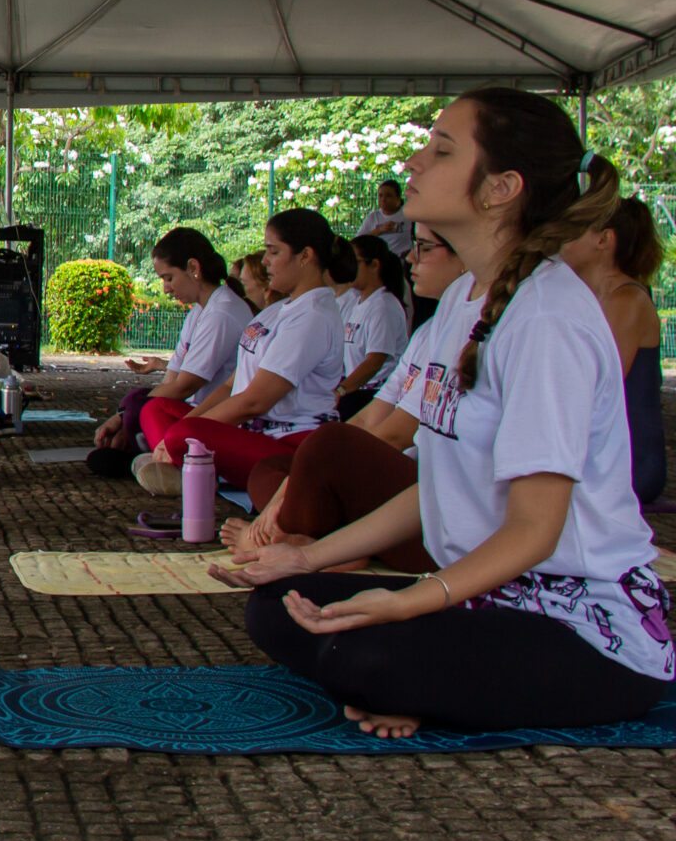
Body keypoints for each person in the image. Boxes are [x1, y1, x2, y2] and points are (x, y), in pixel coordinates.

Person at [215, 87, 670, 738]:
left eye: (441, 149)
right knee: (278, 606)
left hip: (583, 631)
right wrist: (306, 560)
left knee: (368, 655)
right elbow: (439, 488)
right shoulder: (464, 300)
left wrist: (410, 602)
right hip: (491, 600)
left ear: (501, 188)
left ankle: (417, 678)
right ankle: (424, 675)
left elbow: (535, 532)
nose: (416, 160)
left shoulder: (545, 318)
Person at [219, 231, 467, 574]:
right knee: (272, 470)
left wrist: (299, 477)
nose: (410, 258)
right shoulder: (430, 330)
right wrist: (295, 477)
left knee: (325, 445)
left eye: (424, 248)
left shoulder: (452, 324)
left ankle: (307, 538)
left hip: (435, 504)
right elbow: (370, 420)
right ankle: (315, 538)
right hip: (403, 481)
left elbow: (395, 432)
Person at [139, 209, 347, 492]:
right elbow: (230, 384)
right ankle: (180, 463)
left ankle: (180, 465)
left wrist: (183, 434)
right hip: (247, 431)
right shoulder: (277, 311)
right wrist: (184, 429)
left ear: (305, 256)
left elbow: (254, 403)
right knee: (155, 409)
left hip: (286, 442)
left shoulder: (313, 316)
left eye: (273, 252)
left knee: (184, 433)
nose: (265, 261)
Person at [91, 227, 253, 466]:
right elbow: (171, 380)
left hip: (212, 415)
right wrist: (127, 414)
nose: (166, 289)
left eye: (169, 278)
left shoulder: (222, 312)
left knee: (143, 408)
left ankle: (171, 462)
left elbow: (183, 388)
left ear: (194, 269)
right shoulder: (199, 311)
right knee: (139, 402)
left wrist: (125, 415)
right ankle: (150, 451)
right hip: (191, 411)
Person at [563, 196, 665, 504]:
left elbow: (595, 388)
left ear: (604, 240)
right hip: (598, 453)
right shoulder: (584, 298)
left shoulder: (627, 301)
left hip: (629, 461)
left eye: (574, 228)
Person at [332, 234, 411, 420]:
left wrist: (341, 390)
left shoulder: (383, 306)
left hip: (374, 393)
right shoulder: (358, 302)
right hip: (356, 389)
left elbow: (374, 361)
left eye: (354, 262)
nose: (347, 268)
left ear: (374, 265)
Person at [356, 179, 415, 256]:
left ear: (398, 198)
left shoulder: (408, 215)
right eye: (380, 195)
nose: (383, 199)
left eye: (388, 196)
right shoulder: (373, 217)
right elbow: (358, 242)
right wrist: (379, 230)